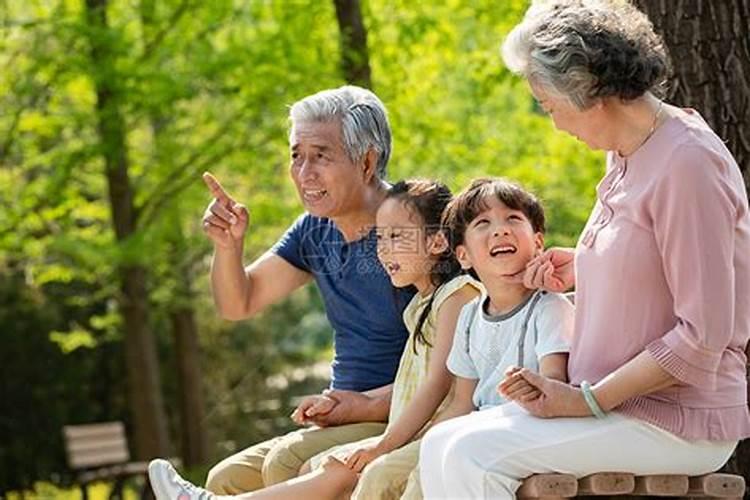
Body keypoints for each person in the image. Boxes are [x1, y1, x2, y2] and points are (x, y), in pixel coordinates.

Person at [419, 1, 750, 498]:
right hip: (612, 407)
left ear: (586, 89)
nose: (553, 122)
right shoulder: (626, 155)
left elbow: (703, 335)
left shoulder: (687, 164)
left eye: (548, 105)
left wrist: (588, 401)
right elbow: (652, 259)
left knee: (472, 456)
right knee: (441, 442)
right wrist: (585, 266)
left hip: (675, 418)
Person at [148, 178, 482, 499]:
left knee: (323, 468)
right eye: (380, 238)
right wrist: (355, 403)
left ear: (438, 242)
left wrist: (380, 444)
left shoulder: (455, 296)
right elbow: (419, 379)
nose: (383, 251)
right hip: (408, 430)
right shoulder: (422, 304)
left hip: (425, 434)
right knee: (318, 469)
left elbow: (439, 385)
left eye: (395, 236)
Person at [200, 85, 416, 494]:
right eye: (297, 155)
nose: (304, 173)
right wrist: (228, 248)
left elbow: (460, 355)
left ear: (367, 161)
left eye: (321, 155)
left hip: (400, 411)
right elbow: (237, 303)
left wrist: (367, 403)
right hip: (341, 411)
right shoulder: (313, 230)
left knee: (288, 461)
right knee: (223, 479)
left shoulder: (415, 225)